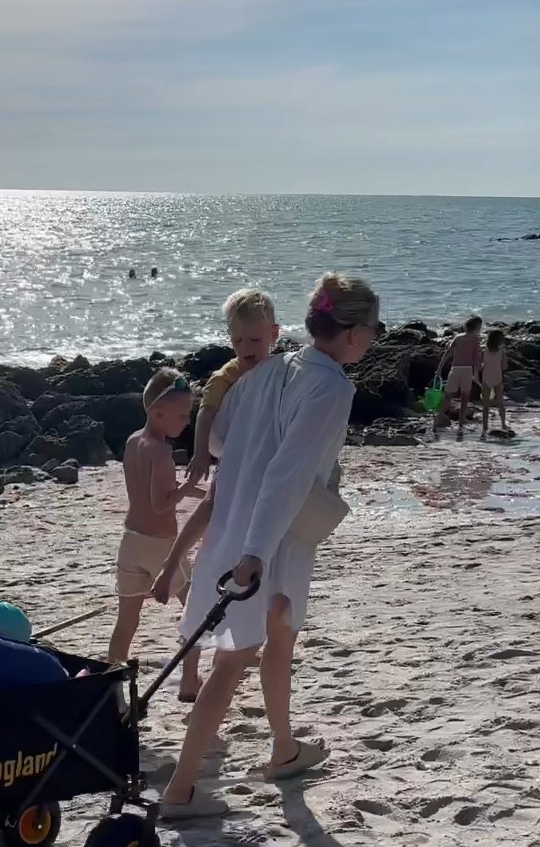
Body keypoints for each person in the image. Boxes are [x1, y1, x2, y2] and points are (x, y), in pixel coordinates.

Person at [154, 273, 380, 819]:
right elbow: (289, 471)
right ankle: (181, 789)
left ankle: (282, 748)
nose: (374, 338)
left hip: (256, 527)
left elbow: (214, 440)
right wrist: (255, 551)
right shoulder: (329, 386)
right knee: (235, 659)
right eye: (373, 328)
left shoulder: (275, 368)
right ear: (349, 333)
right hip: (269, 538)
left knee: (281, 637)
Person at [109, 369, 203, 701]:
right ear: (157, 412)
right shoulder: (161, 451)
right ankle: (190, 681)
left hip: (131, 540)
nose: (186, 422)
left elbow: (151, 493)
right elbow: (161, 503)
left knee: (126, 623)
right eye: (181, 415)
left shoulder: (135, 441)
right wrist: (189, 489)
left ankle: (112, 686)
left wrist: (197, 494)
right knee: (196, 612)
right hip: (160, 546)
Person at [189, 289, 281, 485]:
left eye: (255, 340)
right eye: (238, 341)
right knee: (214, 500)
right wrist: (200, 454)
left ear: (274, 334)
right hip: (227, 448)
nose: (246, 349)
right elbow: (205, 415)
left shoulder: (279, 369)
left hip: (261, 448)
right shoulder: (226, 376)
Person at [439, 316, 484, 437]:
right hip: (467, 370)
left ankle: (440, 417)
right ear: (476, 328)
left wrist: (439, 369)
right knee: (465, 396)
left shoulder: (458, 338)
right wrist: (477, 373)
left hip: (455, 369)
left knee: (448, 394)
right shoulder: (475, 339)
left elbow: (447, 353)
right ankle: (461, 420)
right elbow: (476, 359)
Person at [481, 328, 508, 436]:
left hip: (486, 378)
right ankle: (503, 424)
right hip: (498, 379)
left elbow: (479, 365)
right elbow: (504, 366)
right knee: (500, 404)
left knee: (485, 405)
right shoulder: (502, 352)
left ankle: (485, 426)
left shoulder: (484, 351)